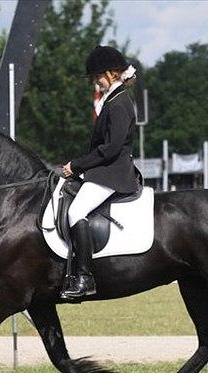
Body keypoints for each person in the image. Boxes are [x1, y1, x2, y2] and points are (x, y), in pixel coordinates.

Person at [59, 46, 139, 300]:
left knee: (76, 211)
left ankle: (84, 277)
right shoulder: (115, 99)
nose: (95, 81)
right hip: (105, 169)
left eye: (97, 76)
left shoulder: (119, 103)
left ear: (111, 73)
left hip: (112, 172)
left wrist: (77, 165)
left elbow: (111, 148)